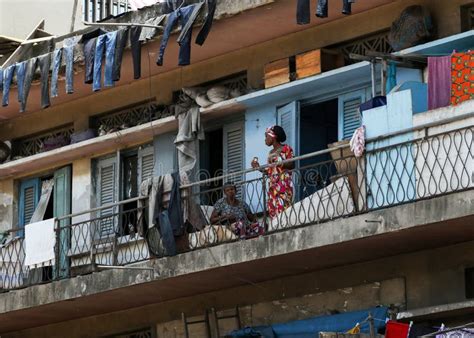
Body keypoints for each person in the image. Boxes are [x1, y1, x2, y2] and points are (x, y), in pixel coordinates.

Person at [251, 125, 295, 218]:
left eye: (266, 136)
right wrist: (258, 167)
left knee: (284, 211)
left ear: (273, 136)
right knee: (273, 212)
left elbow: (291, 164)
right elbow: (270, 171)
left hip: (284, 185)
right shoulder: (270, 153)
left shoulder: (286, 148)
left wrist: (278, 161)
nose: (265, 139)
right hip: (273, 188)